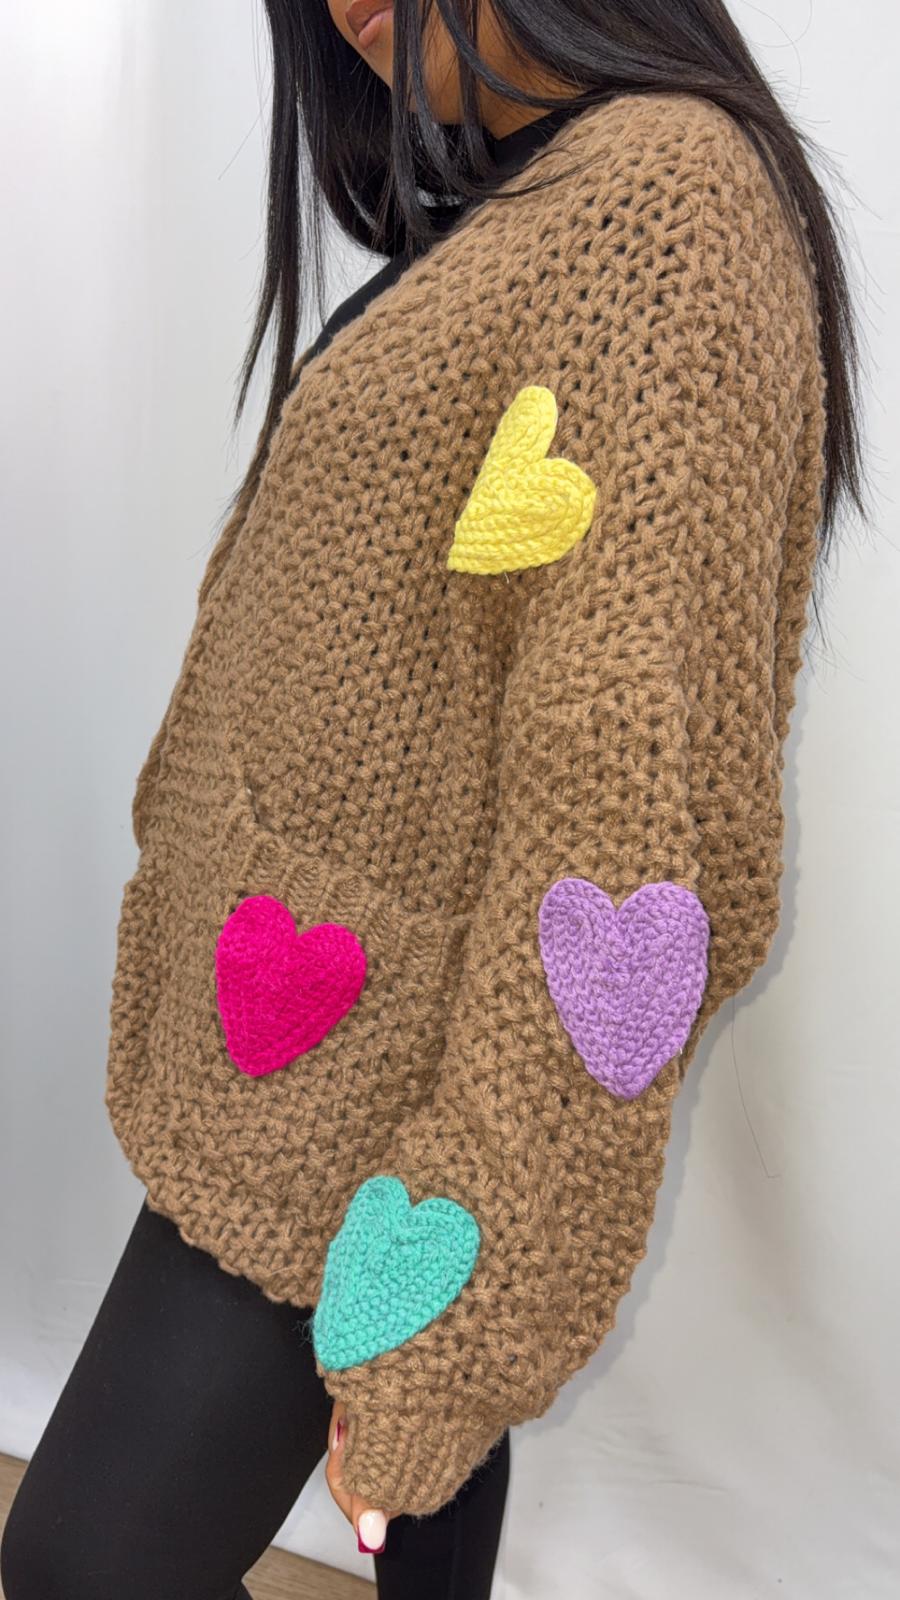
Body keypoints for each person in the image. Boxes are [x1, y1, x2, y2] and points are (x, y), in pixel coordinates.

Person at [1, 3, 869, 1598]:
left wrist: (463, 1280)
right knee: (400, 1525)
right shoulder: (544, 193)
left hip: (378, 1099)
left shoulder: (663, 201)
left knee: (83, 1565)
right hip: (333, 1050)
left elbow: (629, 815)